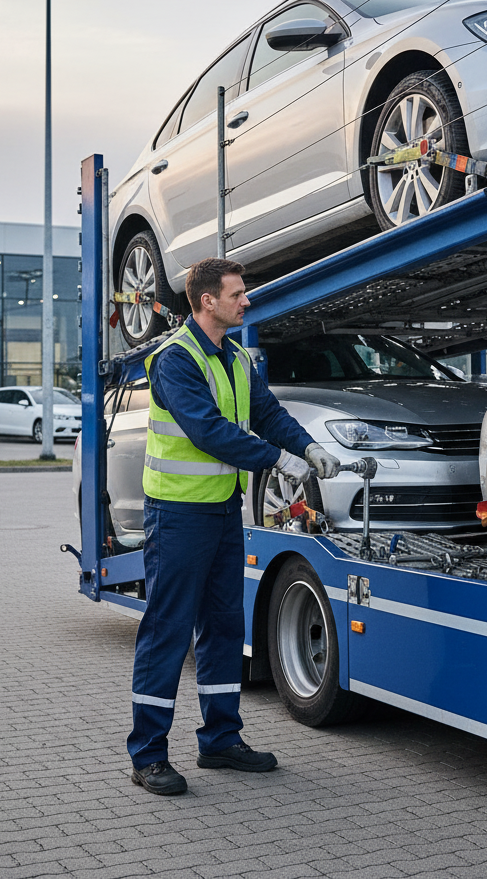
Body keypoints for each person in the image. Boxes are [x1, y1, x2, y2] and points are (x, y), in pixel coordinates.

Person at [127, 257, 341, 795]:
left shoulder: (238, 357)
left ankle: (220, 740)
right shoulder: (175, 360)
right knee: (168, 632)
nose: (246, 301)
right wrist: (277, 461)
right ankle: (148, 755)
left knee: (225, 629)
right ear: (206, 301)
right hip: (176, 516)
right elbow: (207, 431)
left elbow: (268, 415)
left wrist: (308, 447)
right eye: (237, 293)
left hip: (222, 512)